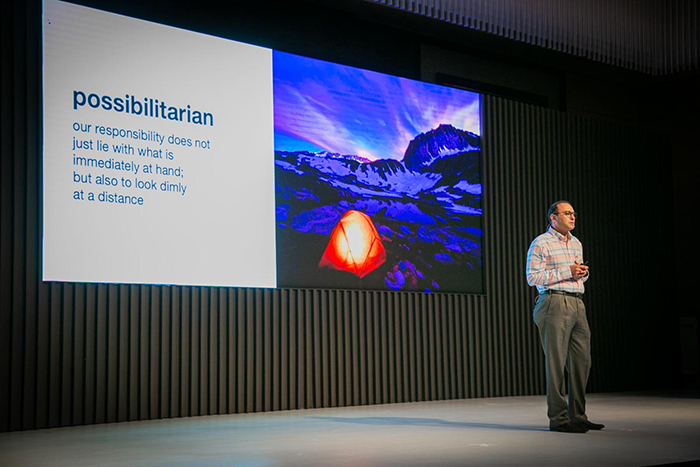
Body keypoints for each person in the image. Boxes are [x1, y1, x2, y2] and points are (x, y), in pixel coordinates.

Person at [526, 201, 604, 433]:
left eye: (573, 214)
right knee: (556, 363)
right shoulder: (541, 242)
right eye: (567, 213)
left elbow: (576, 275)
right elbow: (532, 277)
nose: (572, 217)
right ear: (553, 218)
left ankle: (577, 415)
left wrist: (581, 273)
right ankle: (558, 419)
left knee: (582, 362)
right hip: (553, 302)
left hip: (577, 303)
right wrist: (567, 271)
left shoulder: (577, 243)